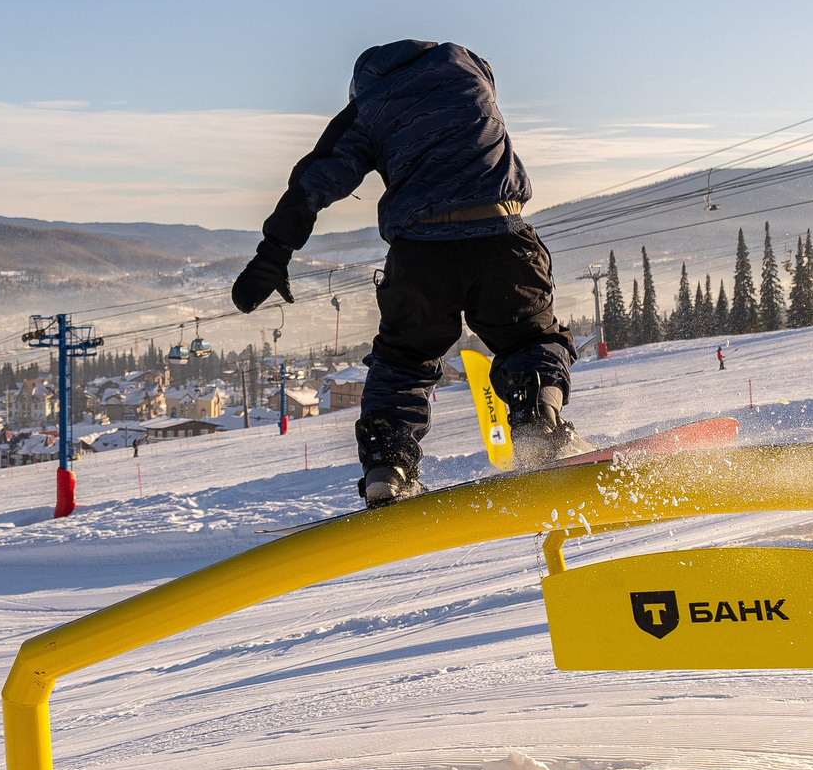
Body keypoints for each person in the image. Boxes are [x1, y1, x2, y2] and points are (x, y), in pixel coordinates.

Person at [233, 40, 575, 506]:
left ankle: (387, 464)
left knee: (404, 361)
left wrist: (273, 252)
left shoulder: (369, 107)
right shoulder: (473, 79)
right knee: (530, 340)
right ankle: (538, 420)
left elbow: (316, 178)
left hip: (421, 255)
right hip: (502, 237)